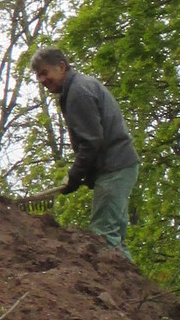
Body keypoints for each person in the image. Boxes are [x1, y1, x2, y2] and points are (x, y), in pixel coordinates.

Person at [31, 47, 139, 256]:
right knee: (114, 239)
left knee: (103, 237)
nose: (42, 80)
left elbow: (91, 142)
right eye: (38, 76)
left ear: (61, 67)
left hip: (114, 169)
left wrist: (74, 176)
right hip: (119, 166)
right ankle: (130, 277)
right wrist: (84, 175)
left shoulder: (78, 92)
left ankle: (113, 277)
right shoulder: (80, 87)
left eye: (45, 73)